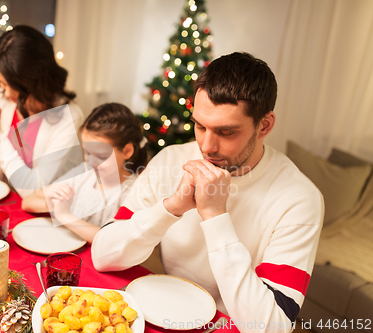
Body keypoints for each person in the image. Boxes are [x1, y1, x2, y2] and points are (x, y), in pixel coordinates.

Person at [92, 53, 324, 332]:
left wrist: (215, 217)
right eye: (200, 126)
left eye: (226, 132)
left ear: (264, 125)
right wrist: (171, 207)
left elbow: (271, 327)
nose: (207, 146)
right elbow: (102, 256)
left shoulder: (299, 199)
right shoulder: (169, 160)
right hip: (163, 313)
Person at [0, 26, 84, 198]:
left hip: (43, 217)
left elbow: (32, 191)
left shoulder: (68, 116)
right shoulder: (2, 99)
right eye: (1, 84)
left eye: (8, 85)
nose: (4, 92)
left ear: (30, 81)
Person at [22, 103, 148, 243]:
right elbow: (27, 202)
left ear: (127, 151)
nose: (91, 161)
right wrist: (53, 204)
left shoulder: (133, 192)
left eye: (101, 156)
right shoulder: (84, 172)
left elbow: (112, 242)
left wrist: (64, 215)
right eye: (87, 152)